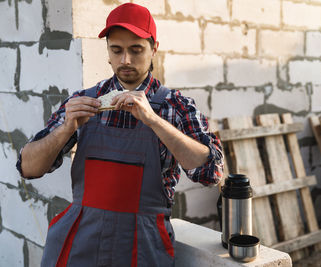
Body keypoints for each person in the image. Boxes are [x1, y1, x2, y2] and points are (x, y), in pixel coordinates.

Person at [16, 3, 223, 266]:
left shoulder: (177, 106)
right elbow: (28, 168)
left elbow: (211, 173)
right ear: (108, 53)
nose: (125, 60)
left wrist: (154, 121)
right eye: (117, 50)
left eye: (136, 50)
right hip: (81, 244)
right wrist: (66, 128)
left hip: (143, 248)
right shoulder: (84, 101)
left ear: (153, 49)